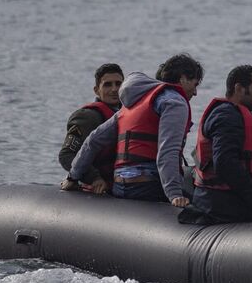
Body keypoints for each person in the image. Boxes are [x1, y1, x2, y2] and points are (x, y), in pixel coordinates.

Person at [63, 54, 203, 206]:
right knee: (202, 203)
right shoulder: (175, 102)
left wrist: (72, 177)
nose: (195, 92)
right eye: (195, 84)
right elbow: (167, 151)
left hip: (120, 186)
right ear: (182, 79)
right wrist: (174, 194)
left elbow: (94, 140)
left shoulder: (133, 103)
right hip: (148, 186)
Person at [182, 65, 252, 223]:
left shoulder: (234, 115)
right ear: (239, 88)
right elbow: (225, 162)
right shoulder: (227, 116)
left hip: (234, 199)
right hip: (225, 205)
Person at [58, 63, 123, 194]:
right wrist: (94, 178)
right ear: (96, 90)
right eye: (107, 85)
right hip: (98, 188)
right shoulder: (86, 117)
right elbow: (67, 155)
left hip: (124, 183)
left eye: (118, 84)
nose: (114, 89)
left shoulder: (130, 114)